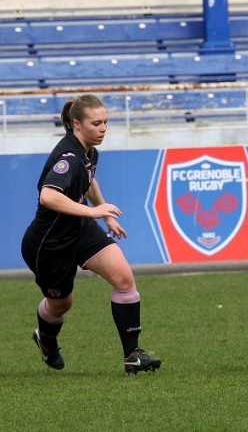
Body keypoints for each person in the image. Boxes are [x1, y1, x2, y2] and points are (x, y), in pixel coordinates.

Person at [21, 94, 162, 374]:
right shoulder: (69, 156)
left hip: (80, 229)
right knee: (61, 305)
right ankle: (46, 339)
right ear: (76, 124)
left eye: (106, 122)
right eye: (96, 123)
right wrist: (94, 212)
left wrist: (104, 213)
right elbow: (48, 196)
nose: (103, 128)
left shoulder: (88, 151)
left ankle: (132, 355)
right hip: (49, 245)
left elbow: (89, 179)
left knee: (123, 278)